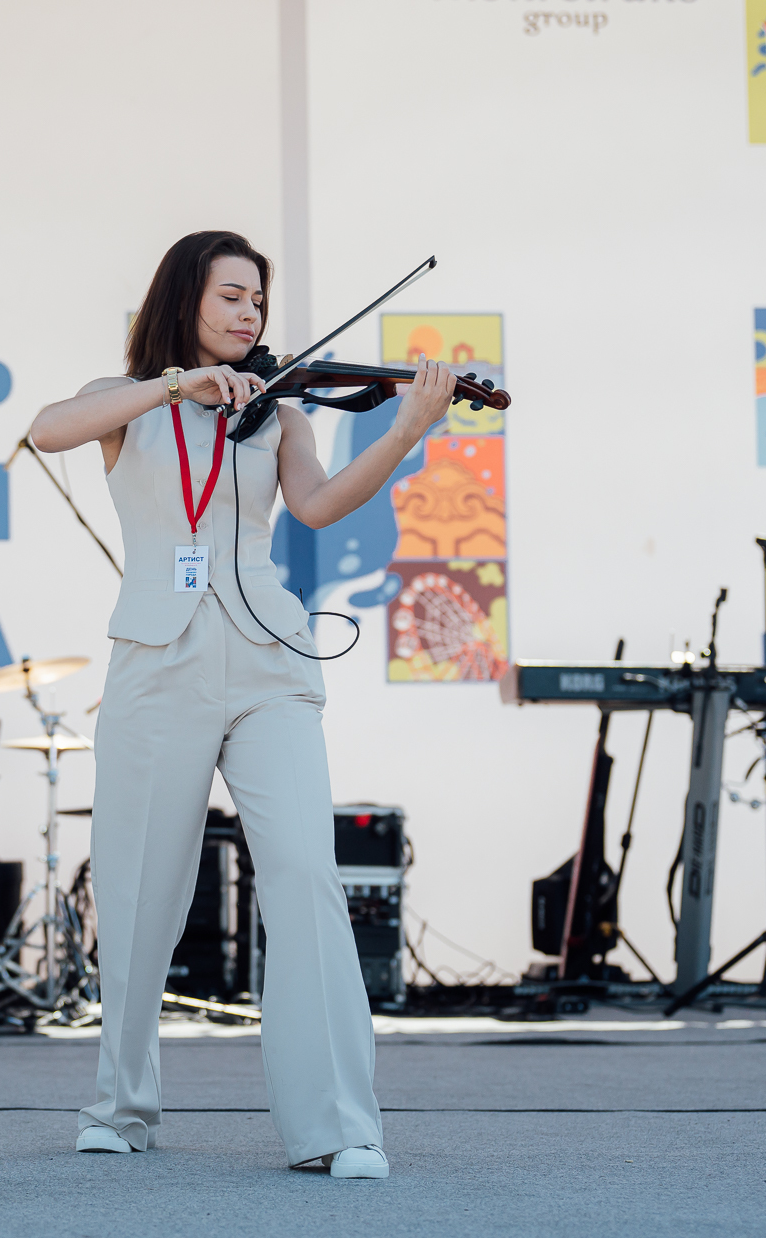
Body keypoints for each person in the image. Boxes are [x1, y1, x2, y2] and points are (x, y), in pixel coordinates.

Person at [27, 230, 456, 1177]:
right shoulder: (126, 402)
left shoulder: (278, 411)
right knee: (139, 892)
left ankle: (339, 1126)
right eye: (231, 295)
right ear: (184, 298)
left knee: (305, 874)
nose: (249, 313)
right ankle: (121, 1107)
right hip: (158, 661)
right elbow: (47, 429)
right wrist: (175, 386)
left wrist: (405, 430)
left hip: (268, 660)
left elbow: (318, 506)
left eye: (258, 299)